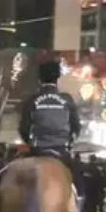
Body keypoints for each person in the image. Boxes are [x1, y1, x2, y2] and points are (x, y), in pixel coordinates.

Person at [19, 60, 83, 198]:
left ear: (39, 78)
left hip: (37, 150)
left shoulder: (32, 100)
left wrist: (31, 143)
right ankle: (79, 211)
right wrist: (69, 142)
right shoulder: (67, 99)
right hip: (61, 150)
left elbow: (23, 128)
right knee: (78, 181)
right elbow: (76, 127)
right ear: (57, 78)